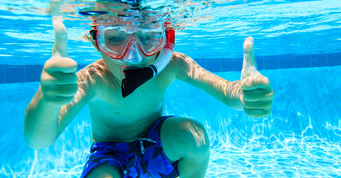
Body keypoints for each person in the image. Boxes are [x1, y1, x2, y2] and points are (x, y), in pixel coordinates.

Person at [23, 16, 273, 178]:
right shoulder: (94, 79)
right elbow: (38, 139)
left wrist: (244, 95)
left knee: (193, 136)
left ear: (166, 41)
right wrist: (47, 101)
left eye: (147, 38)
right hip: (108, 155)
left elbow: (227, 93)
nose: (133, 55)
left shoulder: (172, 65)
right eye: (115, 39)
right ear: (96, 42)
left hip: (155, 143)